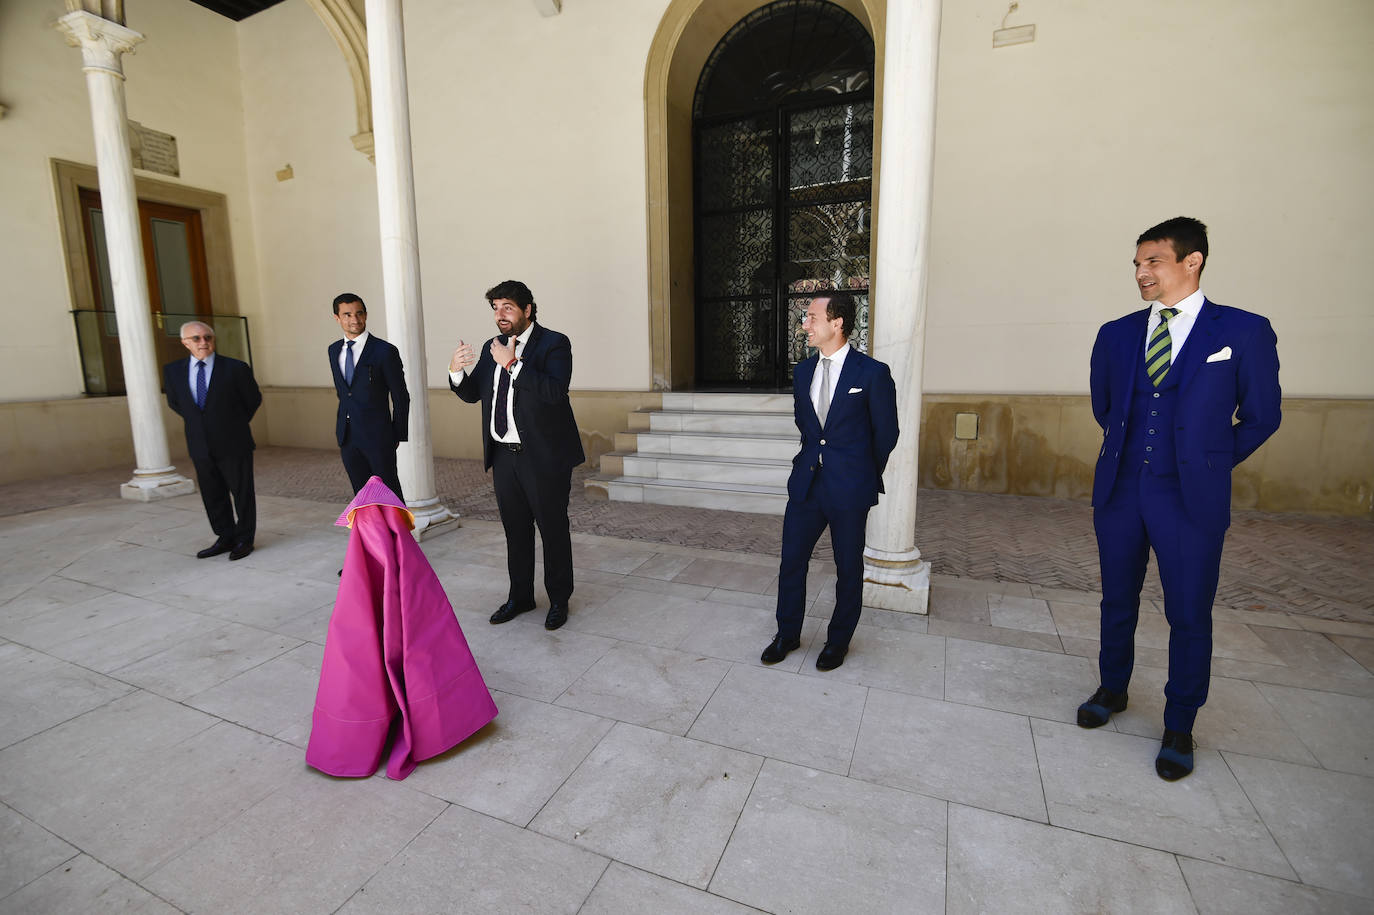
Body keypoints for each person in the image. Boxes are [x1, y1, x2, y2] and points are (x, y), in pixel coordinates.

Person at [1079, 216, 1281, 780]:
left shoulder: (1243, 331)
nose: (1141, 273)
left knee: (1188, 612)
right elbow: (1105, 406)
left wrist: (1210, 462)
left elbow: (1263, 416)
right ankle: (1112, 688)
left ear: (1192, 262)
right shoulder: (1116, 334)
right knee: (1116, 599)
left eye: (1153, 262)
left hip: (1190, 497)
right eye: (1137, 264)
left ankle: (1179, 723)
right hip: (1121, 490)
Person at [761, 292, 899, 671]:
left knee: (847, 568)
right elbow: (807, 428)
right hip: (807, 485)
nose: (804, 324)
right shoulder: (803, 371)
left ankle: (838, 642)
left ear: (837, 323)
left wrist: (860, 474)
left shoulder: (872, 373)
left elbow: (886, 434)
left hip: (849, 488)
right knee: (791, 561)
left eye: (811, 317)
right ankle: (787, 634)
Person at [448, 280, 584, 631]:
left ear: (527, 309)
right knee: (515, 531)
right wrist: (456, 371)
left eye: (507, 306)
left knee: (552, 529)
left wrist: (512, 365)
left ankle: (558, 600)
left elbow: (555, 391)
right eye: (495, 307)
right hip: (505, 457)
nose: (500, 314)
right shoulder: (492, 347)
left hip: (544, 457)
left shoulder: (554, 343)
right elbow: (473, 393)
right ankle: (521, 596)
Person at [164, 320, 262, 561]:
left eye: (207, 337)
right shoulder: (173, 371)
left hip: (234, 442)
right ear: (185, 343)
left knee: (242, 493)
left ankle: (244, 539)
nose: (203, 342)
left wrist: (231, 423)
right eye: (196, 338)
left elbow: (252, 400)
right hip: (199, 444)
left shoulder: (235, 368)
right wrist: (202, 427)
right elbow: (176, 403)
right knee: (212, 493)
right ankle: (225, 536)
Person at [328, 293, 409, 502]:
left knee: (389, 493)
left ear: (365, 315)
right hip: (347, 436)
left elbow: (401, 396)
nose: (354, 320)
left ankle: (397, 536)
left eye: (359, 313)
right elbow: (345, 393)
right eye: (347, 315)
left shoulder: (385, 351)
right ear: (337, 318)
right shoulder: (333, 350)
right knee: (362, 496)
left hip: (379, 436)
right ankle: (369, 535)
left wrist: (396, 434)